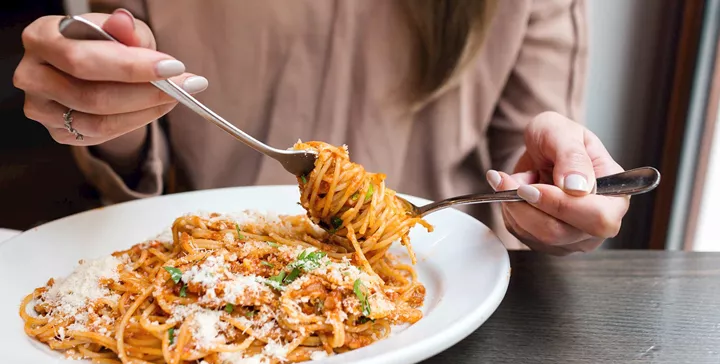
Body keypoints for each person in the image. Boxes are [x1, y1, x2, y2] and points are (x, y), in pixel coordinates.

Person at [13, 0, 629, 255]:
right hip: (211, 271)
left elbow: (530, 164)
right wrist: (103, 107)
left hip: (438, 288)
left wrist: (553, 205)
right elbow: (130, 159)